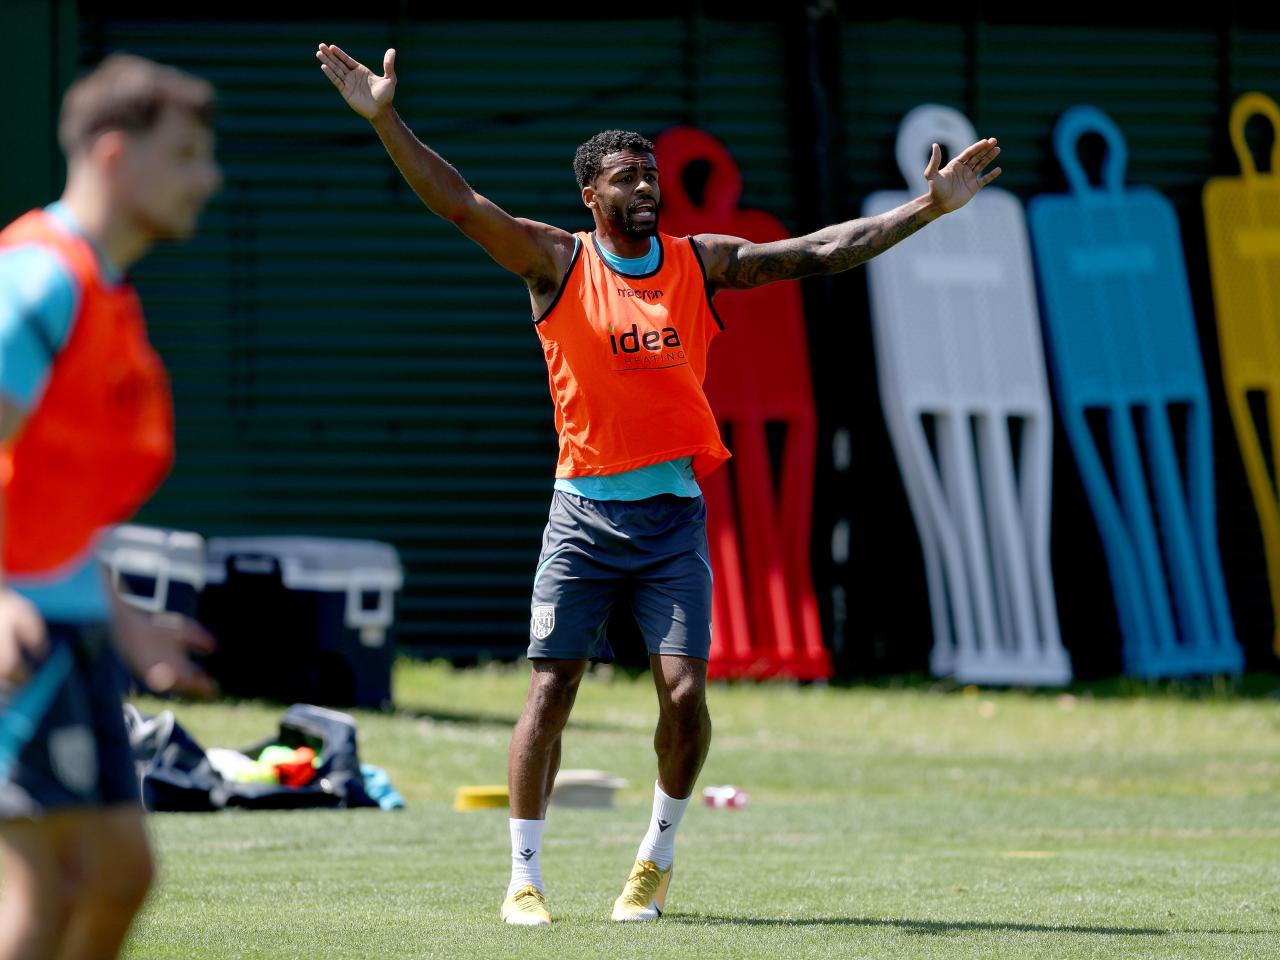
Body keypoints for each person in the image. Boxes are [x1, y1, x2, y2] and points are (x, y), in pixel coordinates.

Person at [316, 42, 1000, 927]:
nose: (645, 187)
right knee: (550, 692)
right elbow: (459, 203)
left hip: (672, 518)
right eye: (625, 178)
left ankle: (655, 859)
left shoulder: (699, 262)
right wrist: (385, 121)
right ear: (590, 196)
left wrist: (927, 209)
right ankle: (523, 877)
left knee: (683, 695)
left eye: (651, 175)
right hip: (582, 517)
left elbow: (820, 252)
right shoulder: (555, 263)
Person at [0, 53, 222, 960]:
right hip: (18, 639)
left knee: (120, 875)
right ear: (115, 154)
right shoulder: (40, 280)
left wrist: (127, 620)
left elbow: (52, 495)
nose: (208, 180)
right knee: (45, 890)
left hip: (72, 627)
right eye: (186, 156)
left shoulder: (105, 291)